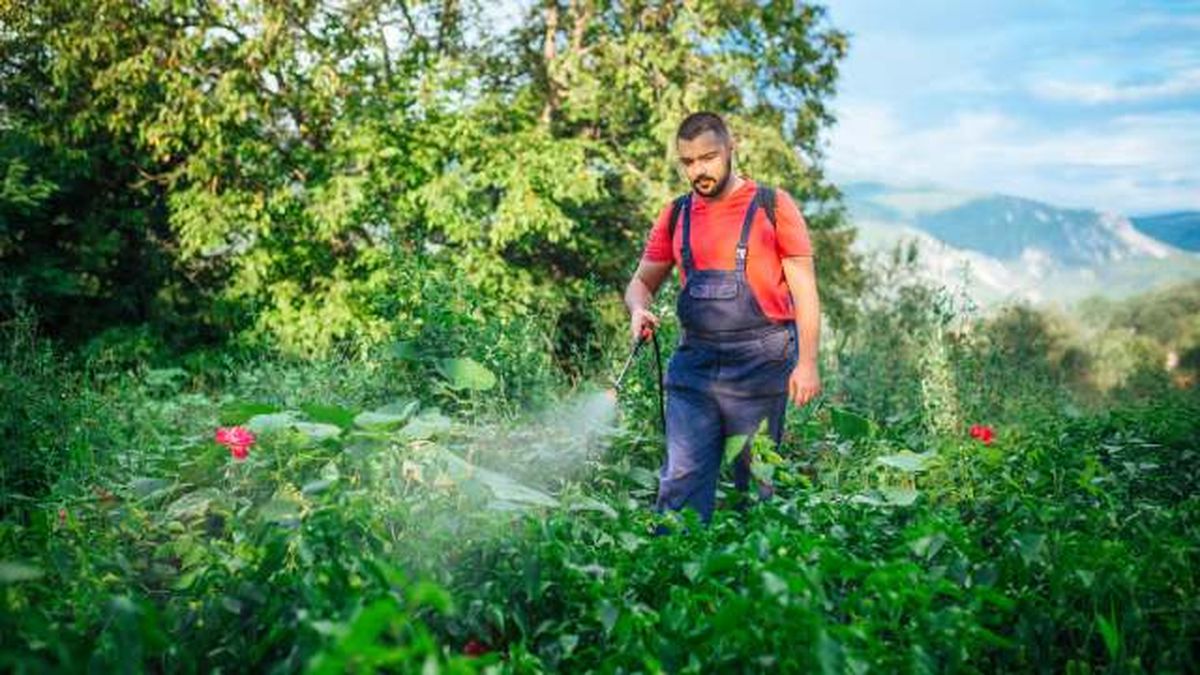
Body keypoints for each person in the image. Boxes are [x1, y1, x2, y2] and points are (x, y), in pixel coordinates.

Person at [623, 111, 822, 526]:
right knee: (680, 480)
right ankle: (677, 575)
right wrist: (638, 308)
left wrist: (807, 364)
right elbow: (640, 283)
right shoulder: (676, 215)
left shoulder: (773, 206)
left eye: (708, 158)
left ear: (732, 149)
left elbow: (805, 291)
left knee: (758, 483)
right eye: (688, 162)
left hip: (763, 364)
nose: (699, 170)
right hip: (694, 367)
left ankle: (755, 580)